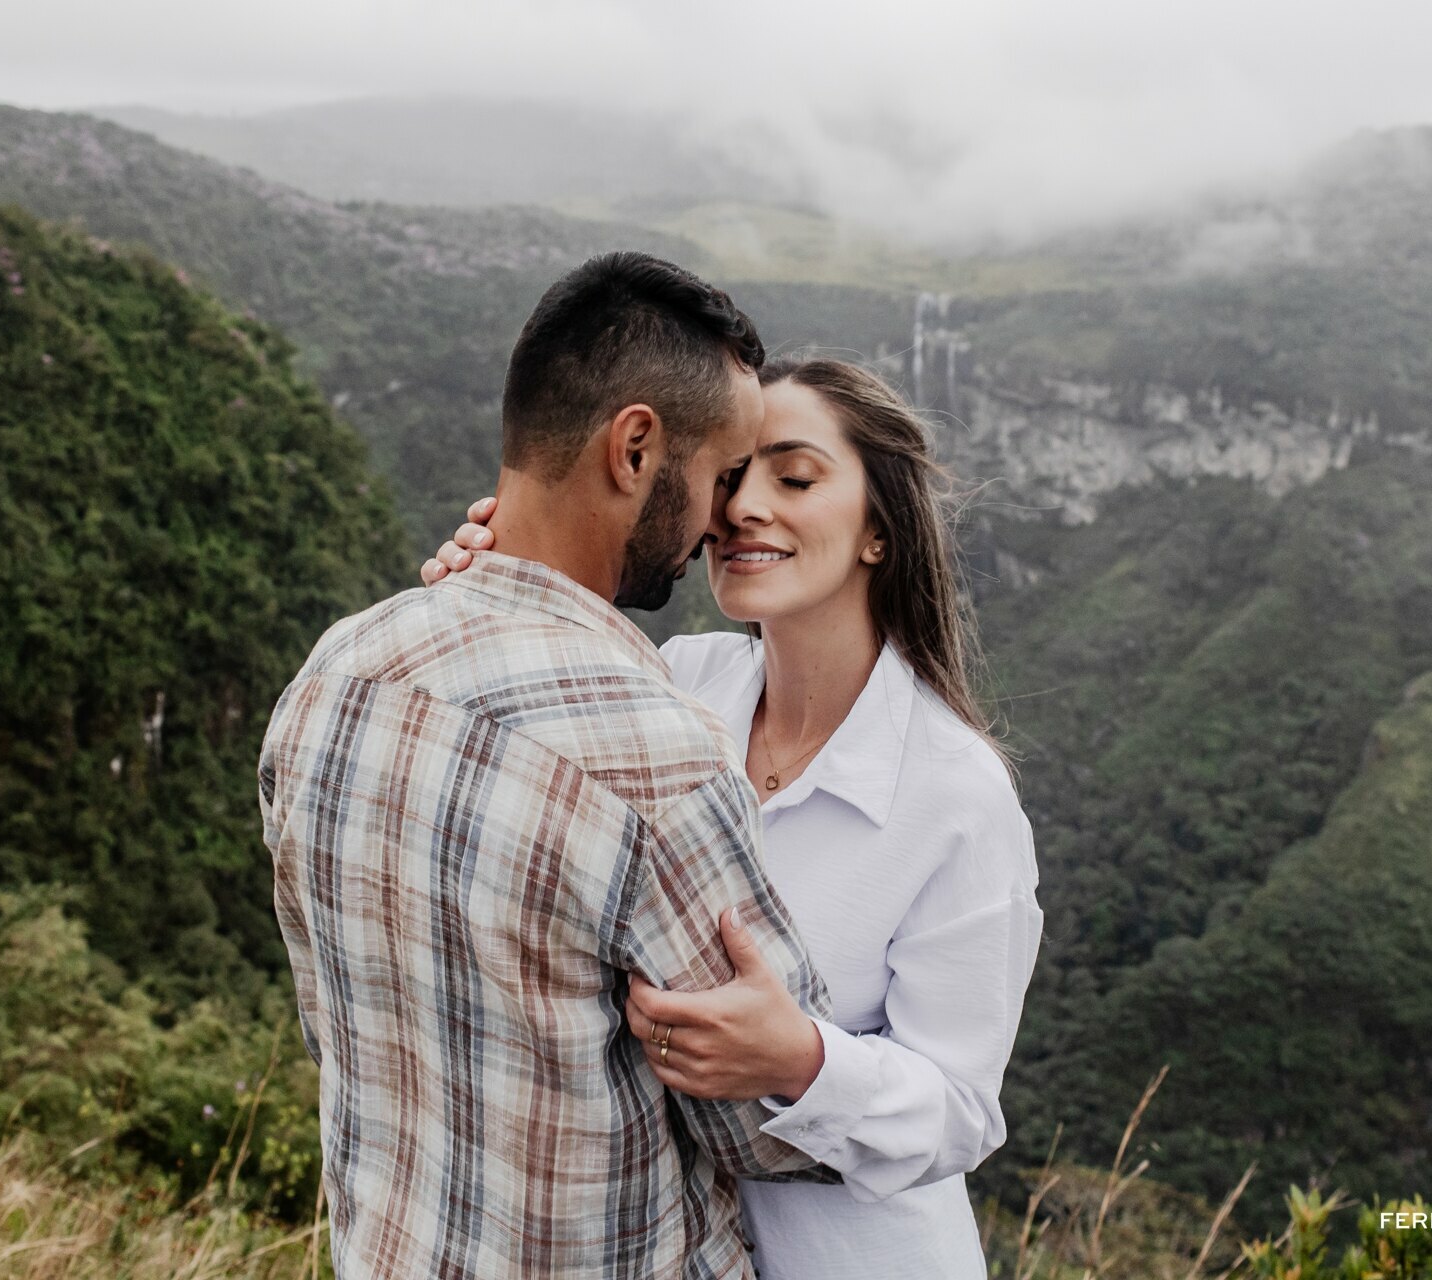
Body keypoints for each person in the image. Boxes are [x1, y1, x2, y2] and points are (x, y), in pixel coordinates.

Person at [259, 252, 838, 1280]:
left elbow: (329, 1016)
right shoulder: (656, 762)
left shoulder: (334, 672)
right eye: (718, 474)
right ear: (635, 448)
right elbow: (774, 1129)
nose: (722, 517)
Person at [423, 354, 1044, 1279]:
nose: (742, 509)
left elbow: (961, 1110)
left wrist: (798, 1059)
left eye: (793, 478)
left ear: (880, 529)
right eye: (731, 477)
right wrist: (486, 586)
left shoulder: (957, 792)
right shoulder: (677, 680)